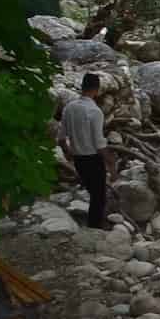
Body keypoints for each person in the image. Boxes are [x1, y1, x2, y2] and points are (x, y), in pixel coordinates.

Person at [58, 74, 111, 230]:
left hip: (78, 160)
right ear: (97, 89)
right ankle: (95, 228)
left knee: (92, 192)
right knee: (99, 196)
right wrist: (111, 163)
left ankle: (94, 222)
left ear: (82, 86)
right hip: (93, 159)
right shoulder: (95, 111)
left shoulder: (69, 107)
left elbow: (61, 138)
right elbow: (100, 144)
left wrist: (68, 152)